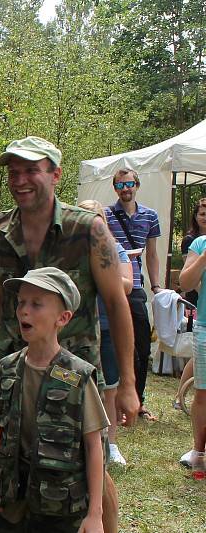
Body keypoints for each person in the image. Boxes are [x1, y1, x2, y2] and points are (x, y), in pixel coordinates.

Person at [0, 136, 137, 533]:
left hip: (69, 375)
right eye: (13, 172)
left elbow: (116, 302)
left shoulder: (88, 229)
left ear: (55, 175)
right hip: (7, 369)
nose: (20, 179)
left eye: (31, 170)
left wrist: (127, 382)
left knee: (86, 466)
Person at [0, 267, 108, 532]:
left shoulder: (77, 375)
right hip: (14, 502)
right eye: (21, 303)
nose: (24, 311)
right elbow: (2, 427)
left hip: (59, 507)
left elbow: (94, 446)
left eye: (36, 304)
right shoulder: (8, 367)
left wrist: (95, 514)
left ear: (62, 318)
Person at [78, 200, 134, 467]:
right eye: (85, 216)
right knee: (74, 384)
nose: (91, 222)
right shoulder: (70, 250)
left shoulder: (116, 249)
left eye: (95, 216)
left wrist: (100, 273)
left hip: (107, 328)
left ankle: (111, 444)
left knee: (110, 387)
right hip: (77, 331)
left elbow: (127, 286)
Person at [104, 167, 162, 421]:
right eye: (119, 185)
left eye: (129, 184)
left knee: (140, 346)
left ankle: (138, 401)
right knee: (109, 344)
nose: (125, 189)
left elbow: (152, 253)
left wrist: (156, 285)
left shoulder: (150, 216)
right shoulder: (105, 214)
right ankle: (112, 402)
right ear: (114, 188)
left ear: (137, 185)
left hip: (135, 287)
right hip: (111, 287)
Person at [176, 230, 206, 472]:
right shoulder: (200, 243)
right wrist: (204, 257)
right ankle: (198, 451)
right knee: (203, 393)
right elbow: (185, 284)